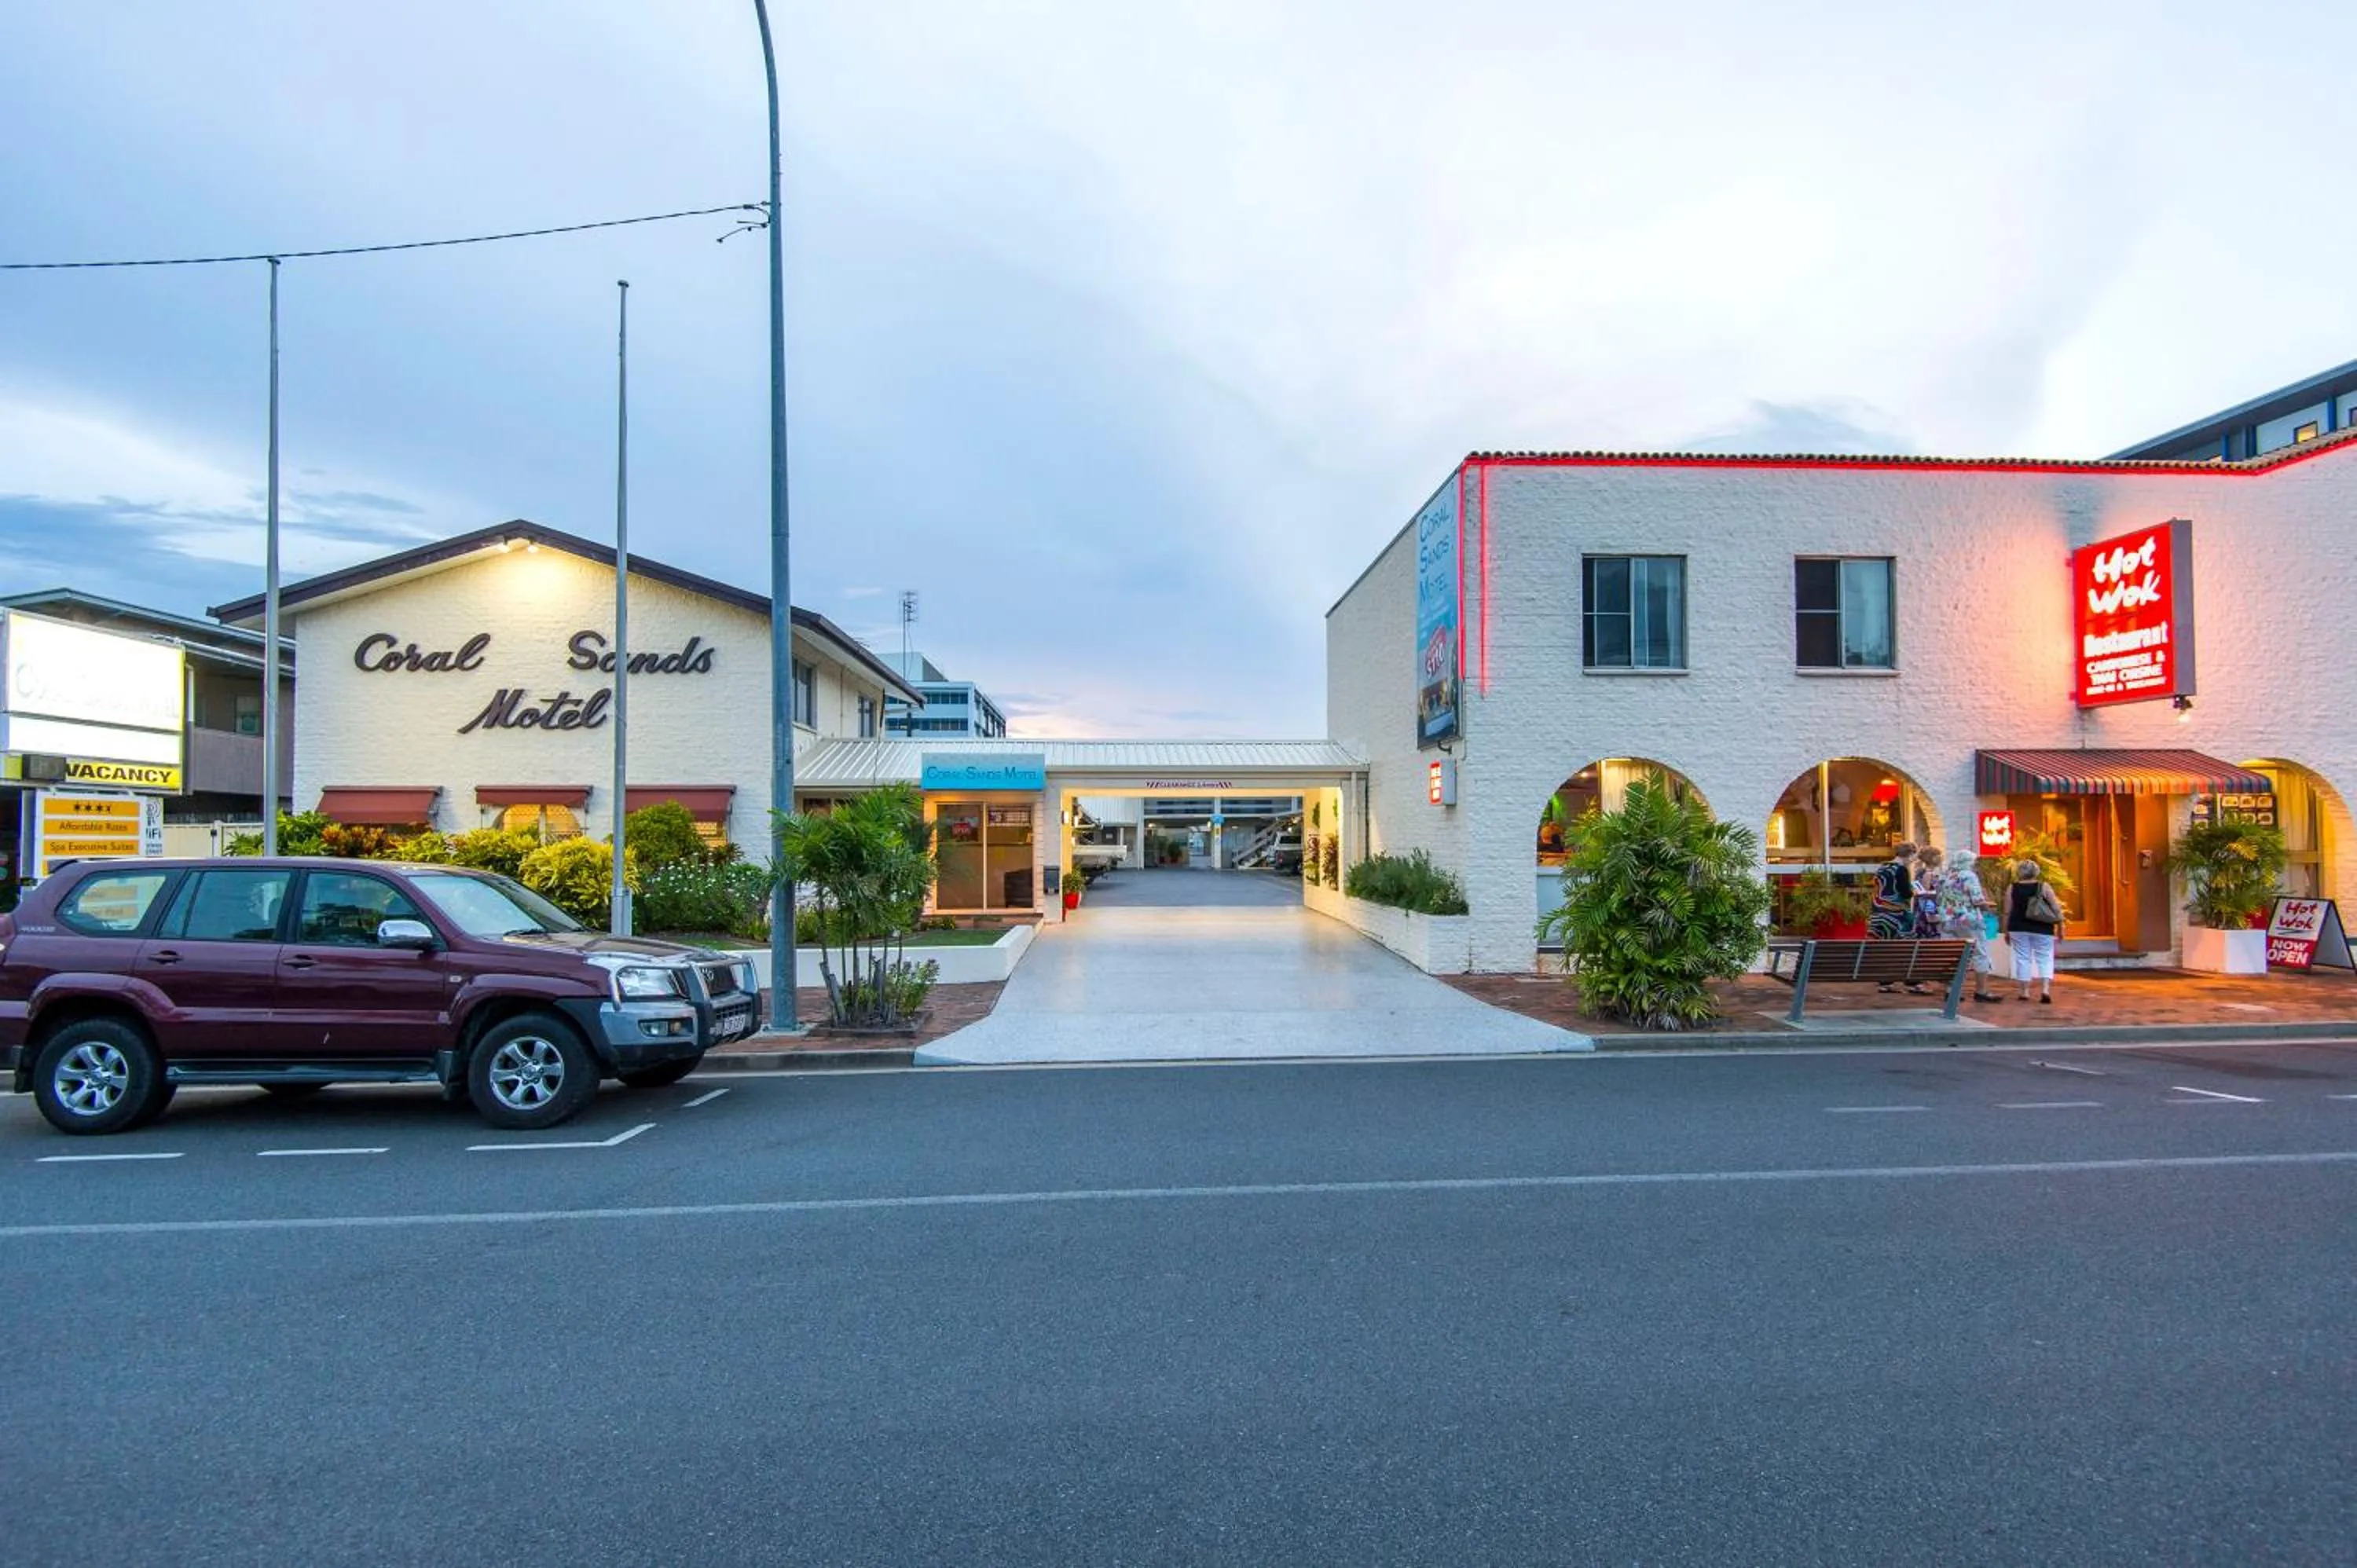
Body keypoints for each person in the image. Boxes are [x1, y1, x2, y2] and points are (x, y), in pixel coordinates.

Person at [1921, 847, 2002, 1002]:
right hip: (1968, 920)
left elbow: (1939, 898)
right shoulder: (1969, 876)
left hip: (1947, 920)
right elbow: (1977, 900)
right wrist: (1989, 907)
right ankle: (1981, 991)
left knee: (1952, 955)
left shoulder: (1945, 877)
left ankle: (1952, 990)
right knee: (1980, 953)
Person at [2003, 857, 2064, 1005]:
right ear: (2036, 872)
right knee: (2045, 957)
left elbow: (2007, 911)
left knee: (2023, 958)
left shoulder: (2013, 887)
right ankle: (2045, 990)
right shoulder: (2044, 887)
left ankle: (2024, 991)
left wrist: (2006, 930)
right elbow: (2056, 908)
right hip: (2042, 927)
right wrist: (2061, 926)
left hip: (2018, 927)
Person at [1870, 841, 1922, 992]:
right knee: (1908, 946)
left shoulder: (1883, 867)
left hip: (1879, 913)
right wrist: (1915, 892)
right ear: (1909, 854)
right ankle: (1912, 980)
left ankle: (1886, 981)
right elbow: (1905, 892)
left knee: (1886, 948)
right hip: (1898, 914)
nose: (1914, 860)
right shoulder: (1901, 870)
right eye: (1914, 856)